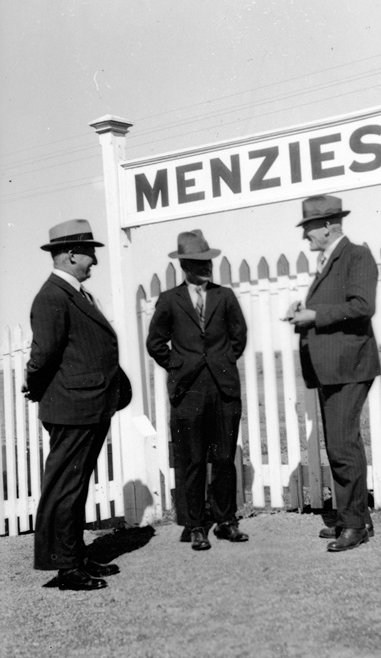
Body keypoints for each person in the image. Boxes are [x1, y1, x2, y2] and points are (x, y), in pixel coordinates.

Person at [23, 219, 132, 590]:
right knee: (65, 488)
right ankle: (66, 567)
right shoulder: (52, 297)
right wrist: (33, 385)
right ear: (71, 254)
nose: (94, 261)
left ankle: (76, 555)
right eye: (90, 253)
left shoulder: (73, 294)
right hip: (72, 407)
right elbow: (43, 355)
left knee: (76, 486)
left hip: (87, 405)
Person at [287, 195, 381, 552]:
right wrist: (304, 312)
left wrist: (314, 315)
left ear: (328, 226)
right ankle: (355, 518)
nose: (305, 236)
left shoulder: (356, 256)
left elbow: (362, 306)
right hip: (334, 368)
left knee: (342, 446)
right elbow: (339, 306)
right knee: (342, 443)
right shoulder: (329, 260)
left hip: (348, 367)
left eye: (308, 228)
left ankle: (354, 526)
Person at [146, 229, 248, 551]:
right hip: (188, 391)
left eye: (208, 262)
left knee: (224, 458)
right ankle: (196, 526)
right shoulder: (169, 300)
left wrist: (222, 361)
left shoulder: (224, 296)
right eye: (198, 262)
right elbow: (155, 343)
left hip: (223, 389)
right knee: (191, 460)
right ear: (184, 266)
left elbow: (239, 336)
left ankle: (226, 521)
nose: (206, 267)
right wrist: (179, 366)